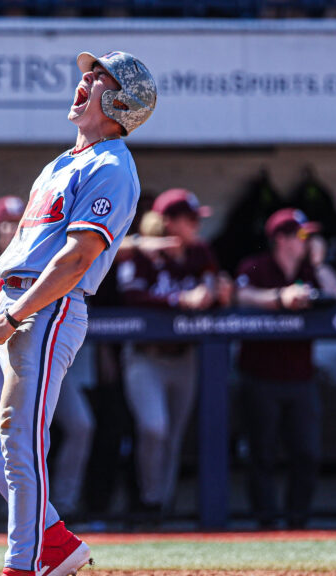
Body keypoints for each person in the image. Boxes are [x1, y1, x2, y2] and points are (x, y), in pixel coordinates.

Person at [0, 50, 156, 575]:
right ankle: (54, 538)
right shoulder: (61, 162)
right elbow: (24, 247)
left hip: (49, 308)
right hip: (12, 300)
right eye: (86, 73)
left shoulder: (114, 165)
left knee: (20, 439)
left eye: (98, 77)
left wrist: (17, 311)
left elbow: (78, 255)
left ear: (121, 101)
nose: (83, 80)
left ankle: (25, 564)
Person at [115, 188, 231, 521]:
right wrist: (179, 301)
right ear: (168, 221)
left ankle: (161, 505)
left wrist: (218, 294)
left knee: (174, 437)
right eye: (190, 219)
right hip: (145, 356)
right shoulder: (141, 251)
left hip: (184, 357)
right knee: (155, 428)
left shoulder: (200, 252)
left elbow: (213, 287)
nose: (196, 225)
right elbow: (131, 295)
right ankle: (149, 500)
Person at [235, 208, 336, 530]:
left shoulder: (311, 271)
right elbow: (241, 294)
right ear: (281, 239)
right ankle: (267, 527)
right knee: (262, 457)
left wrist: (318, 263)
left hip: (301, 378)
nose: (308, 242)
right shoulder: (256, 265)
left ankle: (298, 524)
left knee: (307, 455)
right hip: (260, 377)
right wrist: (280, 298)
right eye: (302, 236)